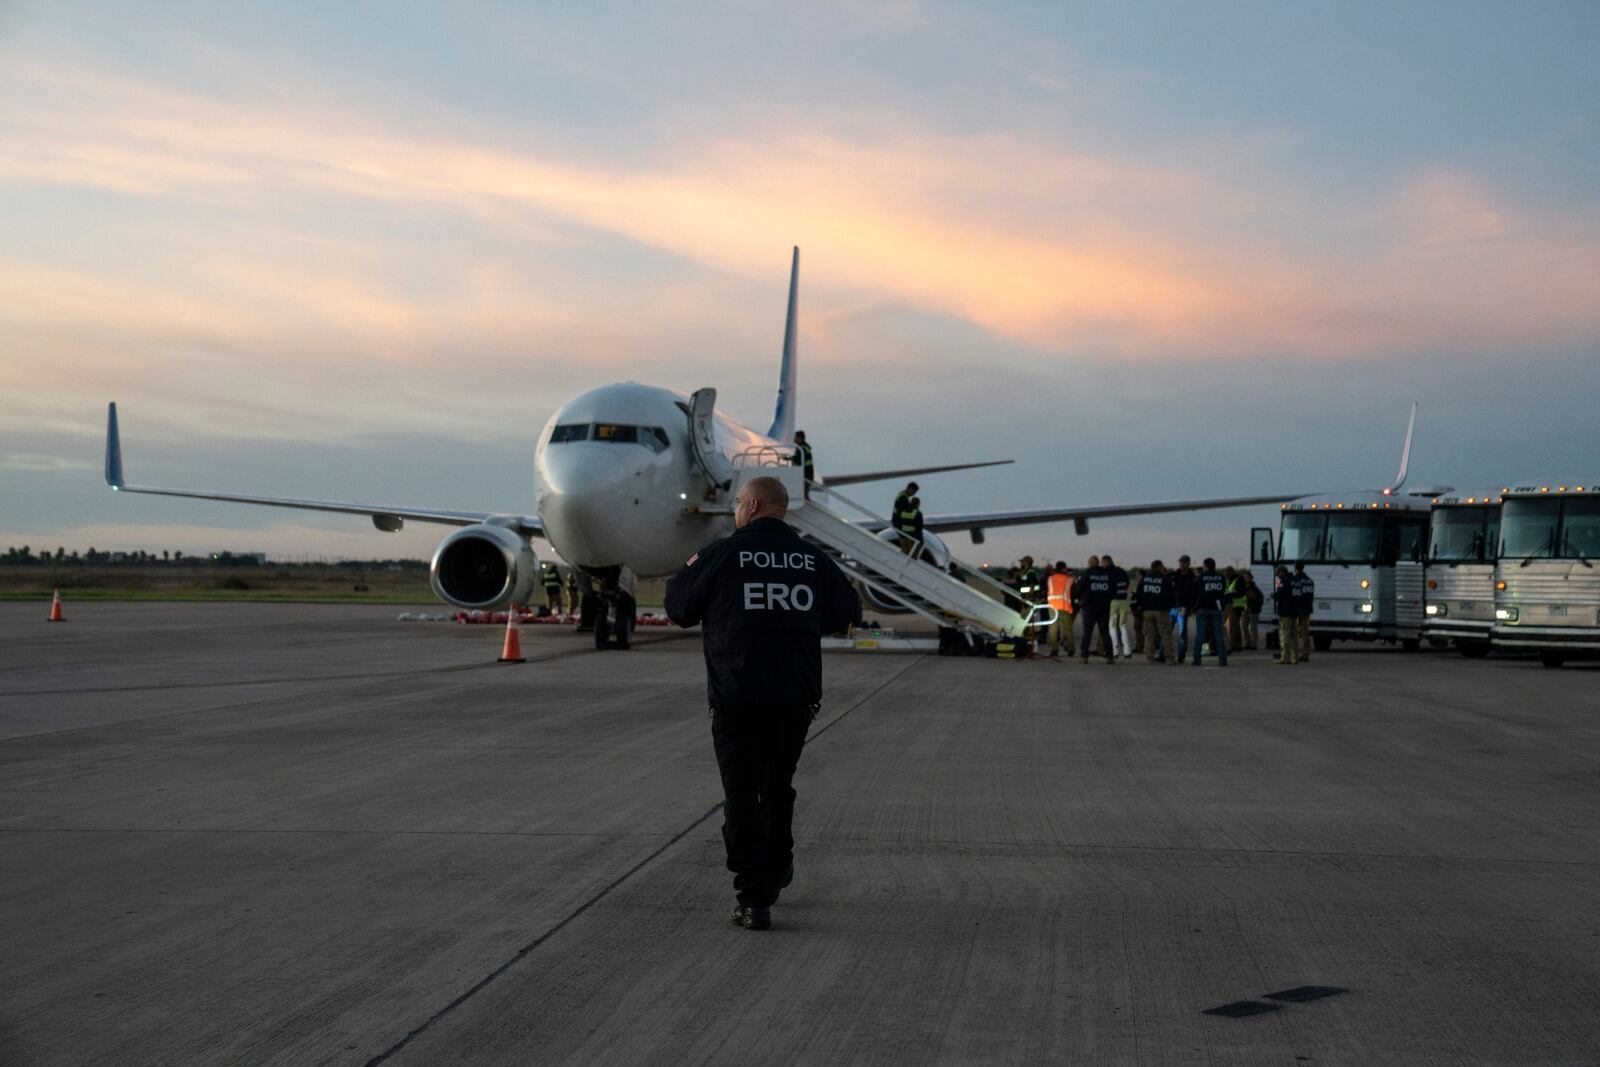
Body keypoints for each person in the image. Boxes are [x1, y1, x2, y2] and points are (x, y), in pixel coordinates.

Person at [665, 476, 857, 931]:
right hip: (795, 697)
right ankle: (776, 867)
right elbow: (844, 612)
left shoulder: (721, 556)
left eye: (737, 504)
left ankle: (754, 897)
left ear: (751, 506)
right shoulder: (813, 559)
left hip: (737, 697)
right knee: (777, 786)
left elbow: (678, 609)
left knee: (741, 794)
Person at [1135, 560, 1178, 664]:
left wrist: (1142, 606)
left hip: (1147, 610)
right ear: (1159, 567)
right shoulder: (1165, 579)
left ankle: (1149, 657)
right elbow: (1172, 596)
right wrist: (1170, 606)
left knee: (1149, 635)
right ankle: (1169, 658)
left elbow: (1138, 594)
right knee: (1165, 634)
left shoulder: (1144, 579)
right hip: (1162, 610)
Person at [1190, 557, 1229, 667]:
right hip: (1217, 608)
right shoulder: (1220, 577)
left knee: (1200, 635)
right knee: (1219, 635)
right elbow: (1224, 593)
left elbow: (1194, 592)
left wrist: (1194, 607)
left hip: (1203, 608)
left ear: (1206, 566)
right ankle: (1223, 660)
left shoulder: (1201, 577)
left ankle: (1197, 659)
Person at [1078, 555, 1115, 664]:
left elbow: (1078, 588)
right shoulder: (1107, 575)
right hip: (1104, 606)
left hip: (1089, 607)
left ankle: (1084, 656)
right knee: (1104, 632)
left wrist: (1081, 600)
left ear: (1090, 563)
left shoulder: (1087, 574)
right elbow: (1113, 590)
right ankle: (1110, 656)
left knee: (1087, 632)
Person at [1044, 561, 1075, 658]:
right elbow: (1074, 591)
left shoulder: (1050, 579)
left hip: (1052, 605)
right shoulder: (1069, 579)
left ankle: (1054, 650)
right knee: (1068, 629)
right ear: (1063, 569)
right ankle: (1071, 649)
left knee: (1053, 629)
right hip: (1064, 606)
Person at [1104, 554, 1132, 658]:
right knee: (1123, 626)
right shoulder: (1122, 571)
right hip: (1123, 601)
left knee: (1112, 626)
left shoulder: (1106, 572)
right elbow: (1127, 584)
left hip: (1112, 601)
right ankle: (1127, 650)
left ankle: (1114, 650)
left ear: (1106, 562)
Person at [1272, 564, 1300, 665]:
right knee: (1294, 636)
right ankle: (1294, 657)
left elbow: (1280, 595)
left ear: (1280, 572)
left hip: (1285, 612)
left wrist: (1274, 596)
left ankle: (1285, 657)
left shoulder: (1280, 580)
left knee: (1284, 635)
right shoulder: (1295, 580)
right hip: (1295, 611)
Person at [1291, 562, 1316, 663]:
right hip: (1308, 608)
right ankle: (1305, 653)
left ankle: (1294, 653)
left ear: (1295, 568)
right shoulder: (1309, 580)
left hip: (1298, 608)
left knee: (1294, 631)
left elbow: (1294, 594)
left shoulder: (1296, 579)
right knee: (1305, 631)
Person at [1171, 556, 1194, 661]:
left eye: (1184, 563)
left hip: (1183, 608)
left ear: (1189, 563)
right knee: (1166, 631)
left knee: (1182, 633)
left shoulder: (1192, 577)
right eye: (1181, 562)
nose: (1182, 565)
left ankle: (1181, 656)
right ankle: (1163, 653)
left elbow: (1194, 594)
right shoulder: (1174, 575)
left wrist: (1189, 607)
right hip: (1172, 607)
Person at [1223, 566, 1245, 652]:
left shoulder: (1238, 580)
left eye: (1227, 573)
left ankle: (1233, 645)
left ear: (1231, 572)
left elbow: (1240, 592)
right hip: (1232, 605)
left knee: (1233, 626)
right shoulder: (1231, 580)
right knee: (1235, 626)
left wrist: (1230, 595)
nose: (1226, 575)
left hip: (1235, 605)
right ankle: (1237, 645)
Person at [1242, 572, 1264, 651]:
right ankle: (1247, 642)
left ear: (1251, 578)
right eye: (1244, 577)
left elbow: (1259, 598)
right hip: (1246, 608)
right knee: (1244, 626)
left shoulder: (1254, 588)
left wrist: (1255, 602)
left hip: (1254, 609)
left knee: (1253, 627)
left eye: (1247, 577)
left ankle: (1253, 644)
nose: (1245, 579)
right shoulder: (1244, 587)